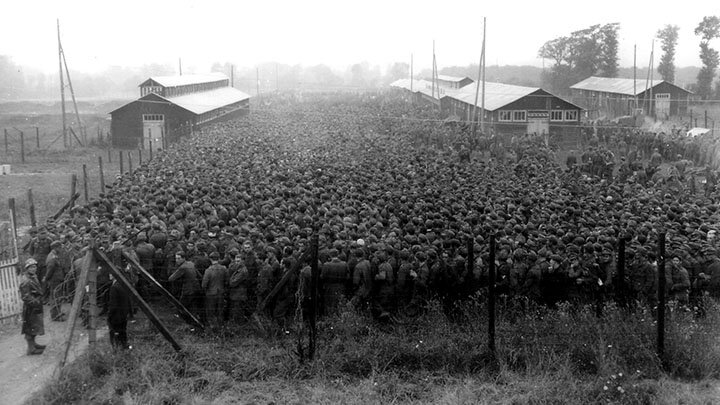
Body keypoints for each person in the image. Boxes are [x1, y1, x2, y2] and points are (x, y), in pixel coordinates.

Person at [20, 258, 46, 355]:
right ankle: (31, 349)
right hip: (30, 308)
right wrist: (35, 303)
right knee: (29, 327)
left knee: (35, 327)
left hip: (36, 306)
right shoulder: (26, 280)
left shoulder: (33, 277)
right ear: (27, 268)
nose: (33, 269)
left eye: (34, 267)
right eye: (31, 267)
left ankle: (34, 344)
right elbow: (26, 297)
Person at [108, 268, 134, 350]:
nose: (109, 275)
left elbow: (113, 304)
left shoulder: (114, 288)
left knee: (115, 332)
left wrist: (109, 315)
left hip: (116, 315)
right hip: (123, 314)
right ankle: (125, 346)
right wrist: (130, 313)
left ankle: (116, 349)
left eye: (111, 274)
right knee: (123, 332)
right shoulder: (123, 284)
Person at [43, 240, 67, 321]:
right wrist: (46, 278)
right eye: (60, 247)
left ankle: (57, 313)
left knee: (57, 297)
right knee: (55, 297)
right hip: (55, 280)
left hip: (57, 279)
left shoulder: (54, 255)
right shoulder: (52, 258)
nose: (61, 249)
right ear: (56, 248)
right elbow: (50, 270)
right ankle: (55, 316)